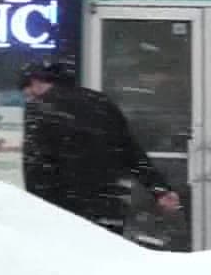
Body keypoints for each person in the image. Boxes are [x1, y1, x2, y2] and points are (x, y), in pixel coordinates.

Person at [18, 61, 181, 236]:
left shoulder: (40, 108)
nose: (28, 97)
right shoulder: (101, 102)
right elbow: (129, 150)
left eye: (27, 92)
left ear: (35, 82)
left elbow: (36, 164)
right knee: (106, 250)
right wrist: (159, 189)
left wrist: (37, 207)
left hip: (65, 205)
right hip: (109, 202)